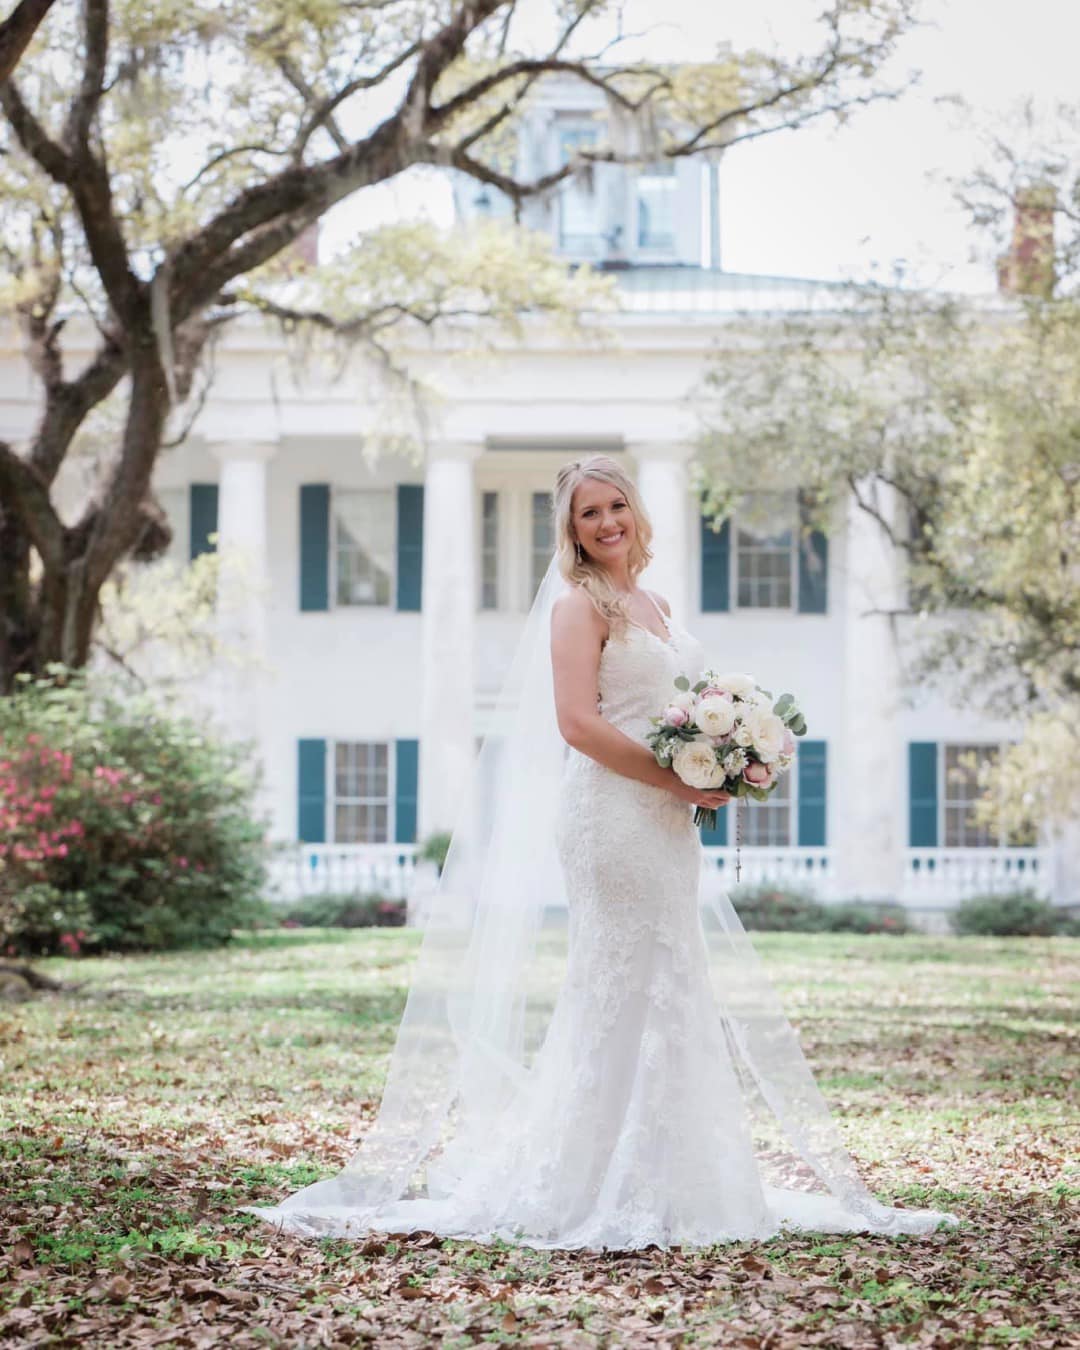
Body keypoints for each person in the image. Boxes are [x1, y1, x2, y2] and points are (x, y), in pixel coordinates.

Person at [247, 454, 956, 1247]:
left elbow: (678, 706)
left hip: (663, 815)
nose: (607, 521)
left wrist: (722, 753)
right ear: (572, 530)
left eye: (616, 504)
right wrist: (676, 777)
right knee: (619, 984)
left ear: (635, 511)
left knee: (672, 978)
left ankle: (674, 1176)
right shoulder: (577, 608)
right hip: (610, 817)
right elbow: (577, 725)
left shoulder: (655, 603)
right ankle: (579, 1184)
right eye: (589, 513)